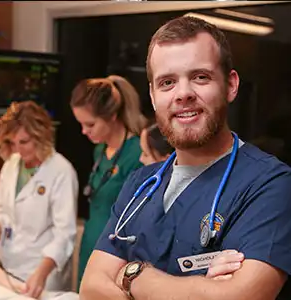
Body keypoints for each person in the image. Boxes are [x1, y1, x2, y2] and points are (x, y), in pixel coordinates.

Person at [79, 16, 291, 300]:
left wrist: (132, 276)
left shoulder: (271, 185)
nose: (183, 94)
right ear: (153, 97)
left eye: (200, 77)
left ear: (230, 85)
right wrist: (200, 288)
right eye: (167, 82)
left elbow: (239, 297)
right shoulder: (140, 184)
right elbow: (91, 289)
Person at [0, 101, 78, 299]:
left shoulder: (61, 171)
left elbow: (64, 234)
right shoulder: (12, 164)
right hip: (7, 263)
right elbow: (1, 210)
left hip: (40, 272)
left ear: (42, 137)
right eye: (12, 143)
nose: (18, 150)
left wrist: (41, 273)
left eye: (24, 142)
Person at [70, 75, 147, 288]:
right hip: (90, 245)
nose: (84, 131)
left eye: (90, 124)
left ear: (112, 115)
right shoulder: (100, 151)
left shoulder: (138, 154)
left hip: (117, 256)